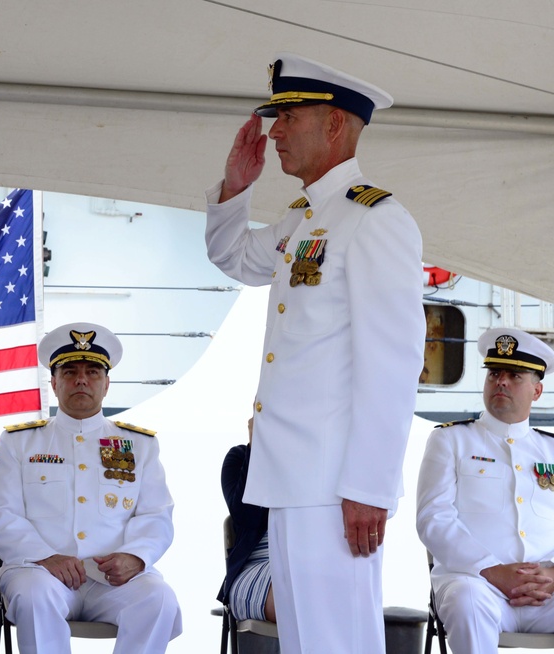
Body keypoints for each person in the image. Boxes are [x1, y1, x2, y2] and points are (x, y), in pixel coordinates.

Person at [204, 52, 425, 653]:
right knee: (306, 643)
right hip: (290, 476)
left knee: (337, 642)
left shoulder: (374, 219)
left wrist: (371, 486)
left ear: (333, 124)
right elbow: (233, 259)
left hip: (336, 484)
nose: (273, 131)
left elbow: (394, 361)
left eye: (288, 116)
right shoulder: (303, 218)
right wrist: (235, 190)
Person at [0, 322, 182, 653]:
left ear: (106, 384)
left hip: (114, 581)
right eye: (70, 371)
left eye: (92, 372)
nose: (81, 380)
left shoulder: (138, 444)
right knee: (33, 596)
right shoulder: (21, 441)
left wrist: (135, 556)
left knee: (159, 599)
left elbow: (157, 514)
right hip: (41, 573)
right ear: (54, 383)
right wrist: (45, 557)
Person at [417, 327, 554, 652]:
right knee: (467, 599)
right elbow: (433, 519)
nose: (501, 381)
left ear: (537, 391)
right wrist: (492, 570)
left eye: (514, 376)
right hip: (477, 583)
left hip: (545, 590)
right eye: (494, 373)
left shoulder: (550, 450)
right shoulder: (451, 440)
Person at [220, 416, 276, 624]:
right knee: (301, 592)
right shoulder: (240, 458)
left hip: (309, 563)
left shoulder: (316, 460)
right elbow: (247, 517)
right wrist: (257, 449)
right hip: (256, 567)